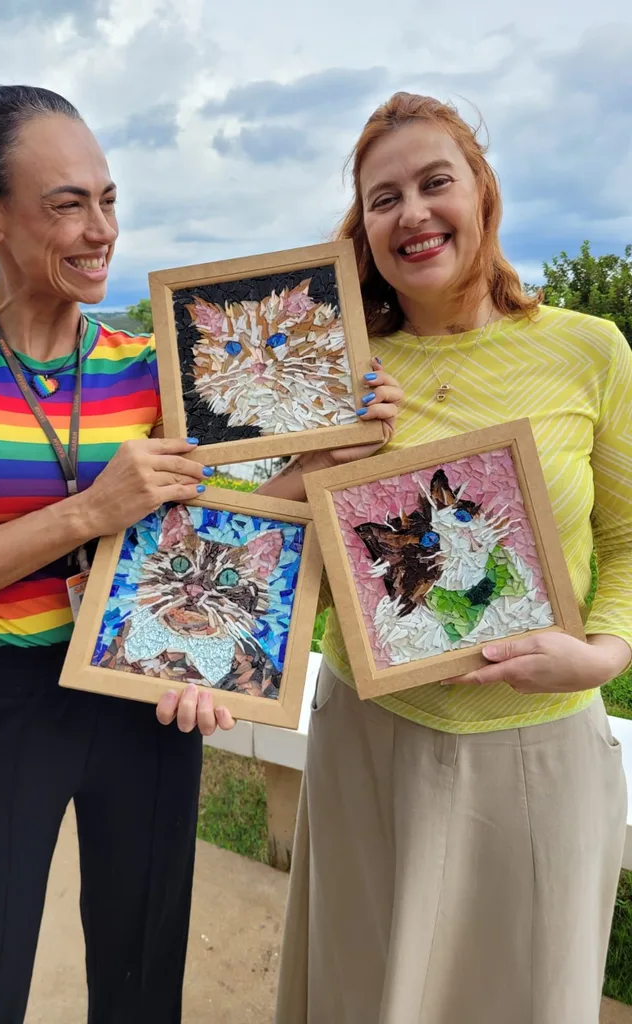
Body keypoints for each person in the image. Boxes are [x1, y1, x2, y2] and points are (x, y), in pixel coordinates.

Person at [0, 76, 243, 1024]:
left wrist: (343, 449)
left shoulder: (151, 363)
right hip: (1, 704)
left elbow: (228, 525)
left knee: (139, 984)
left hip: (144, 704)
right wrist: (88, 512)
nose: (99, 230)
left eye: (108, 199)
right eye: (67, 204)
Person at [266, 92, 632, 1024]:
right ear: (364, 226)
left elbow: (628, 542)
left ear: (485, 194)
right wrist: (316, 460)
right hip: (366, 746)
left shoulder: (589, 352)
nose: (413, 214)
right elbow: (263, 534)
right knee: (361, 991)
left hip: (538, 748)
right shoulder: (336, 372)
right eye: (383, 198)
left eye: (436, 183)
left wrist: (602, 655)